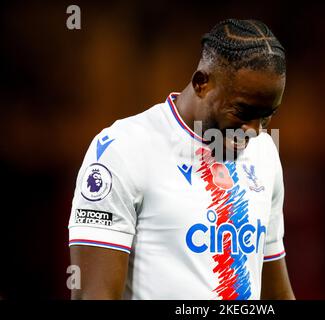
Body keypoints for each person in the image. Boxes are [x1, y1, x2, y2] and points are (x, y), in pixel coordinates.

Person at [68, 18, 295, 300]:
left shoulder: (265, 153)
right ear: (202, 83)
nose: (255, 131)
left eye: (267, 115)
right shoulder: (123, 148)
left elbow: (276, 290)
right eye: (243, 112)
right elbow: (93, 295)